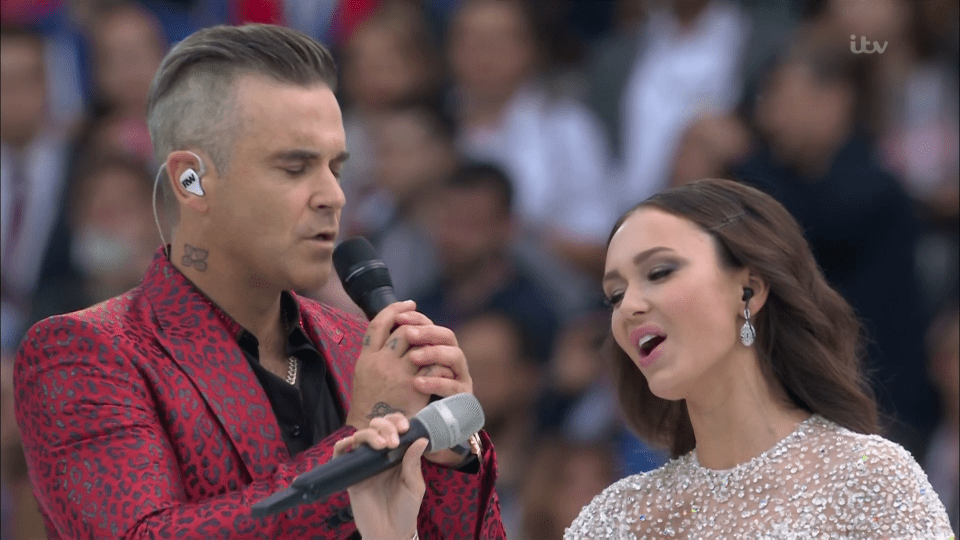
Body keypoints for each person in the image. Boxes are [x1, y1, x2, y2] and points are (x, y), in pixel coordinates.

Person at [13, 24, 504, 539]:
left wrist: (452, 457)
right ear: (191, 180)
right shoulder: (84, 351)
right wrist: (359, 444)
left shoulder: (359, 350)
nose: (333, 196)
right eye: (295, 167)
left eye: (336, 168)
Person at [342, 178, 953, 538]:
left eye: (660, 272)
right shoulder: (617, 516)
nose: (629, 306)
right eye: (613, 294)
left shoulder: (870, 478)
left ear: (750, 288)